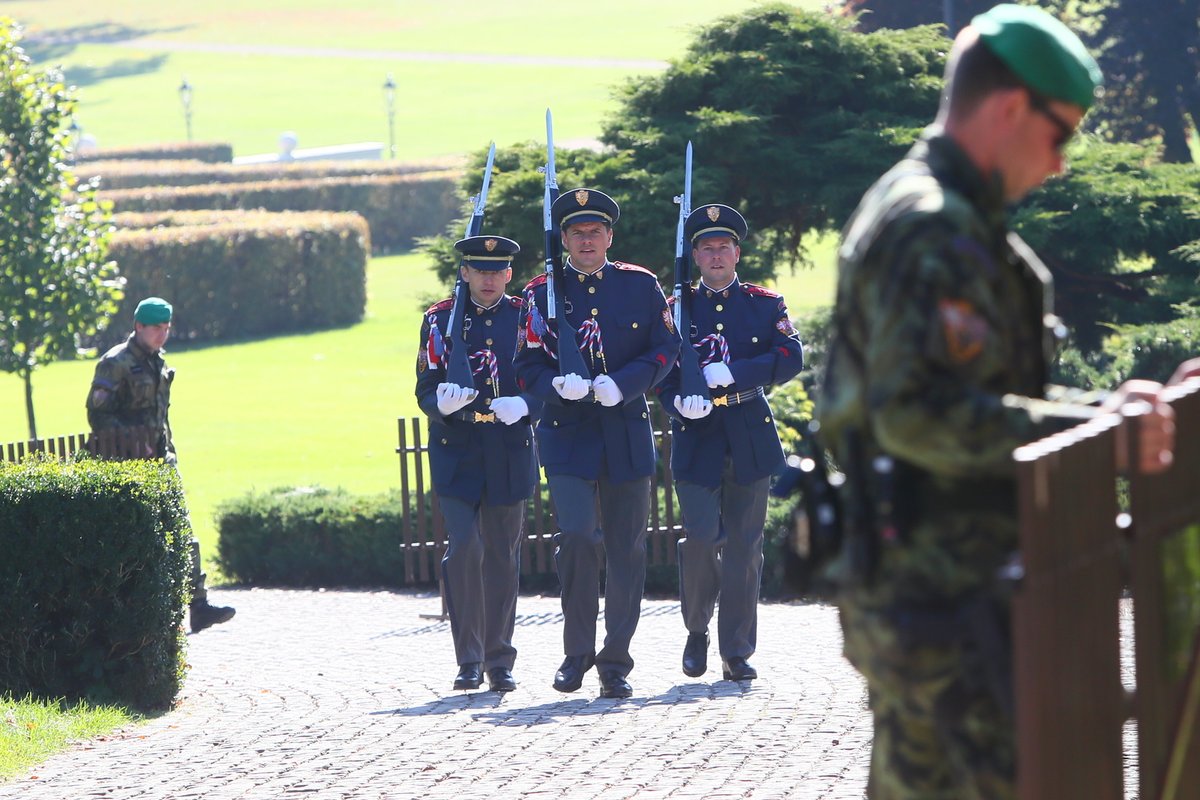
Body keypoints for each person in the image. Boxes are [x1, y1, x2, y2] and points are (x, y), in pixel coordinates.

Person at [817, 5, 1193, 798]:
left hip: (952, 594)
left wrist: (1101, 412)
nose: (1059, 165)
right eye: (1060, 136)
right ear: (1011, 108)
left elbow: (990, 400)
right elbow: (918, 414)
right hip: (938, 598)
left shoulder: (959, 225)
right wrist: (1098, 433)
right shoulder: (929, 227)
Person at [514, 188, 680, 698]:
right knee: (579, 538)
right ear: (563, 239)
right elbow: (525, 364)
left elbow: (667, 346)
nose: (587, 241)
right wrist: (552, 386)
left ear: (610, 236)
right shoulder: (541, 291)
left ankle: (615, 663)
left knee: (628, 550)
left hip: (624, 430)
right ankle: (575, 651)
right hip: (567, 435)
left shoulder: (640, 286)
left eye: (595, 232)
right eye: (577, 233)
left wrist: (626, 383)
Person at [657, 204, 803, 682]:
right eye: (706, 247)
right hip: (697, 433)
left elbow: (790, 355)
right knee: (700, 537)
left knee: (745, 545)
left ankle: (735, 650)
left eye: (724, 246)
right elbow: (657, 367)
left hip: (748, 430)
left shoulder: (763, 303)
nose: (716, 254)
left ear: (737, 252)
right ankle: (697, 629)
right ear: (695, 256)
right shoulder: (677, 307)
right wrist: (676, 400)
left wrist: (737, 372)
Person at [416, 235, 540, 693]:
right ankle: (468, 658)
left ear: (509, 274)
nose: (488, 278)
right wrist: (441, 404)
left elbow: (544, 379)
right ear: (464, 272)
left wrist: (526, 404)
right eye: (479, 269)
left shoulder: (526, 317)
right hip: (458, 447)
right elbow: (425, 385)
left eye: (497, 270)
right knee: (464, 548)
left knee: (503, 558)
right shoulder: (440, 319)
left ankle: (498, 659)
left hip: (508, 446)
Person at [86, 297, 236, 634]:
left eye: (166, 328)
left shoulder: (157, 362)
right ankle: (142, 610)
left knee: (183, 529)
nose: (162, 334)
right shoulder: (116, 363)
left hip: (162, 459)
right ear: (138, 326)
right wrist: (130, 440)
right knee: (137, 537)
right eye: (156, 328)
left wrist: (164, 449)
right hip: (126, 464)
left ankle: (197, 605)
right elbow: (97, 413)